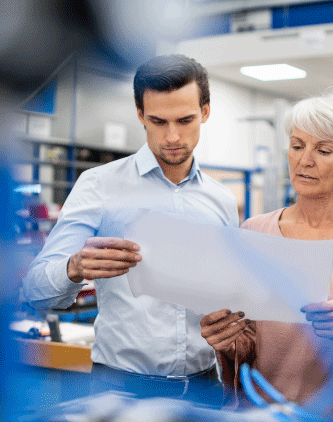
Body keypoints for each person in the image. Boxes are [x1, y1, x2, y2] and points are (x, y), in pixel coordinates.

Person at [22, 54, 239, 403]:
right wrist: (74, 268)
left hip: (205, 389)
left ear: (206, 112)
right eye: (157, 121)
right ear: (140, 115)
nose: (172, 136)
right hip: (120, 389)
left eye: (185, 120)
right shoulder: (99, 185)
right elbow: (35, 291)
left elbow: (231, 294)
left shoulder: (222, 201)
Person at [200, 93, 333, 421]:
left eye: (323, 150)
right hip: (266, 413)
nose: (304, 160)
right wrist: (226, 342)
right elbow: (250, 346)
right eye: (297, 146)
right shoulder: (255, 233)